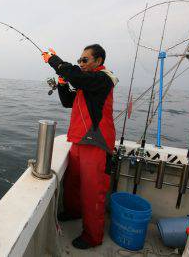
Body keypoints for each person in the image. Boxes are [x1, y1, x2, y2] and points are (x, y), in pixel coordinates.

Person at [42, 44, 118, 249]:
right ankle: (73, 212)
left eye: (85, 60)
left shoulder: (102, 80)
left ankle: (93, 237)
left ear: (98, 61)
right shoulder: (87, 85)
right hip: (78, 141)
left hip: (96, 145)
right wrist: (61, 83)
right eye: (79, 60)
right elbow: (68, 102)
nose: (81, 64)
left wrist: (53, 60)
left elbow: (78, 77)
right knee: (73, 183)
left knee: (93, 193)